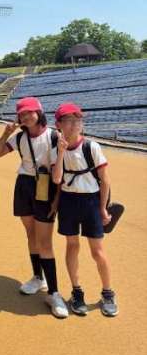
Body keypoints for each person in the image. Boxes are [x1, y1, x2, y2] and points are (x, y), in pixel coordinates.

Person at [0, 97, 68, 318]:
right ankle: (37, 277)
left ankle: (54, 293)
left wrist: (56, 199)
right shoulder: (19, 137)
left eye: (29, 113)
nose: (26, 117)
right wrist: (6, 133)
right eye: (22, 114)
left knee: (45, 241)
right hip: (24, 185)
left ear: (39, 112)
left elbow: (59, 171)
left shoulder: (53, 136)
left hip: (46, 186)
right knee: (31, 234)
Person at [51, 103, 118, 317]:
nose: (74, 125)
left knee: (97, 250)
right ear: (58, 125)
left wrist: (103, 208)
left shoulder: (92, 147)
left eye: (77, 120)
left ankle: (107, 292)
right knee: (72, 246)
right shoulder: (56, 150)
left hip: (91, 201)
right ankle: (76, 291)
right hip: (68, 201)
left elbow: (105, 181)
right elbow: (57, 179)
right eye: (69, 121)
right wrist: (61, 153)